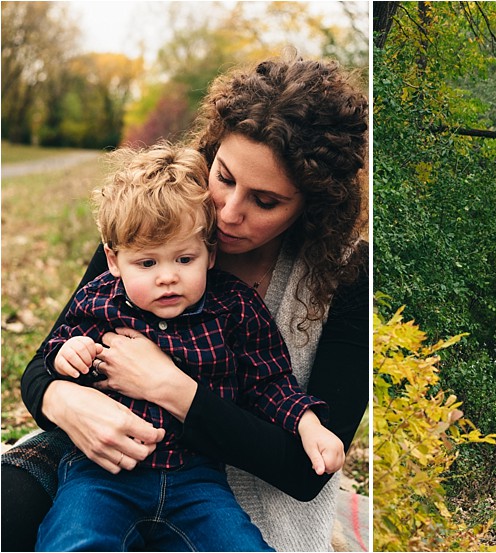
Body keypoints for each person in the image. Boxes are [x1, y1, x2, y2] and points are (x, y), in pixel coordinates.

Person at [2, 51, 369, 552]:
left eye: (265, 201)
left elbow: (305, 472)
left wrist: (169, 386)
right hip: (103, 458)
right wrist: (64, 398)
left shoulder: (347, 274)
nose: (228, 213)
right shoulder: (157, 223)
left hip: (222, 490)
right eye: (224, 176)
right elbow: (48, 360)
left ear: (313, 205)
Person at [35, 143, 345, 551]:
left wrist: (307, 422)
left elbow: (268, 381)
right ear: (113, 260)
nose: (168, 277)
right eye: (148, 264)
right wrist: (67, 353)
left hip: (196, 480)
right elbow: (53, 351)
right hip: (102, 472)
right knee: (77, 539)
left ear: (209, 253)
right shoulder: (100, 298)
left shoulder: (234, 308)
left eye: (184, 259)